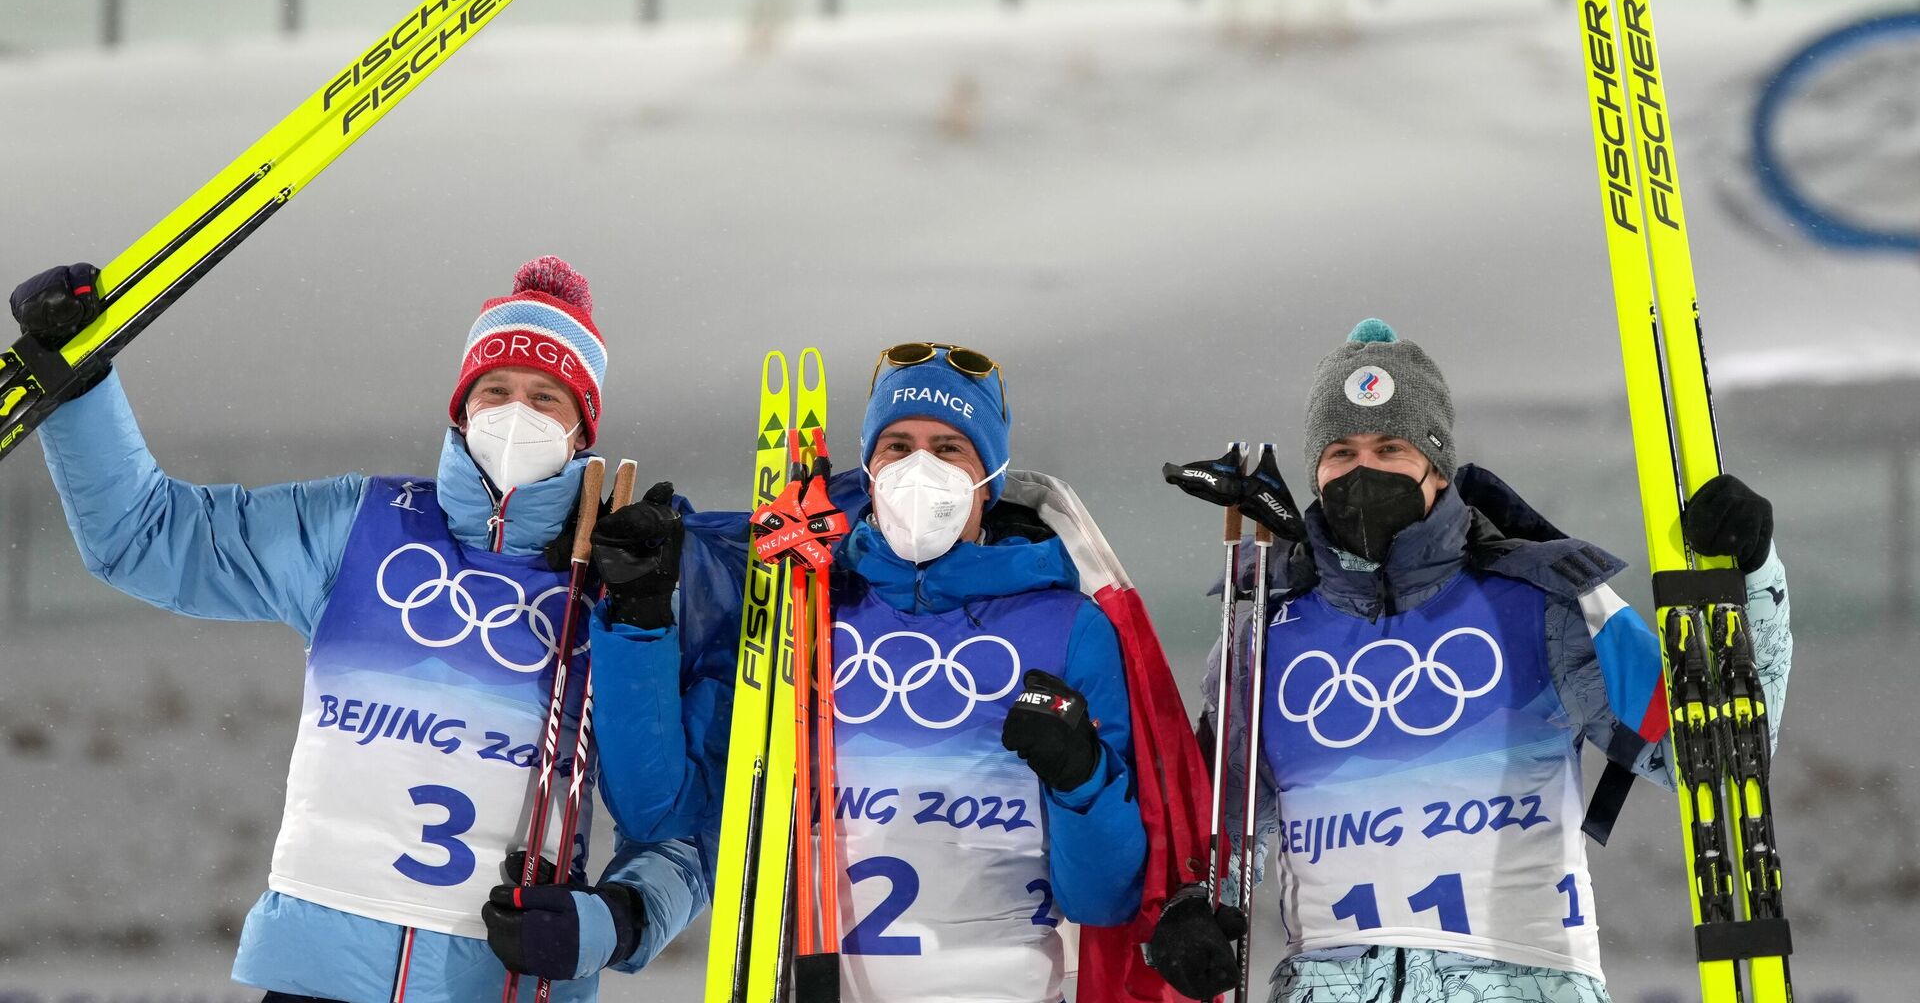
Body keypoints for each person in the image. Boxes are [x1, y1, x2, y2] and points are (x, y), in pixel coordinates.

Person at [11, 258, 705, 1003]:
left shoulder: (629, 581)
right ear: (462, 408)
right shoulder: (361, 527)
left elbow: (682, 834)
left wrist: (610, 924)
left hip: (504, 986)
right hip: (318, 978)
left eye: (546, 399)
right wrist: (78, 382)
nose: (516, 415)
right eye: (495, 390)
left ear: (582, 431)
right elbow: (145, 537)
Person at [1145, 319, 1793, 1003]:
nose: (1362, 471)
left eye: (1389, 447)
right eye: (1341, 452)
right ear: (1315, 471)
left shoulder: (1547, 600)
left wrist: (1751, 577)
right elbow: (1215, 830)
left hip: (1520, 981)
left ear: (1437, 466)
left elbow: (1713, 753)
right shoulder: (1267, 635)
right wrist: (1187, 907)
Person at [587, 343, 1165, 1003]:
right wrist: (637, 617)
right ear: (868, 467)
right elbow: (657, 807)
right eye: (898, 446)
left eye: (950, 449)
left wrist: (1079, 777)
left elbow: (1102, 899)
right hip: (814, 984)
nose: (921, 468)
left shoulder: (1070, 628)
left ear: (989, 476)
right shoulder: (798, 610)